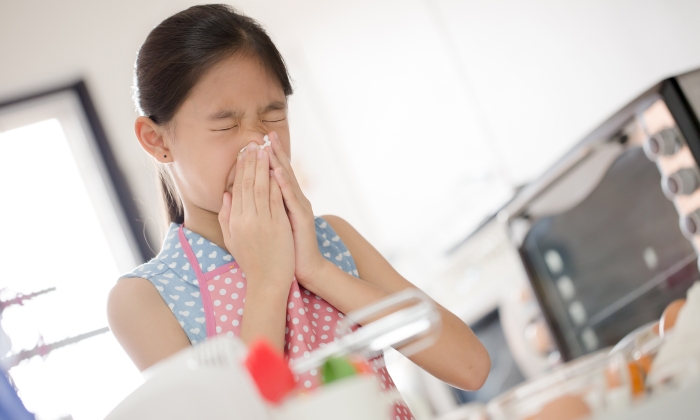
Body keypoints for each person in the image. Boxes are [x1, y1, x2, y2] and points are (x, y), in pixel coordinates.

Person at [107, 4, 490, 419]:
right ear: (156, 140)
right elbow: (244, 413)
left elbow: (471, 367)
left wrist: (317, 270)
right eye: (225, 124)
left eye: (273, 114)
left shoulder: (333, 239)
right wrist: (268, 279)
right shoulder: (144, 299)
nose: (257, 141)